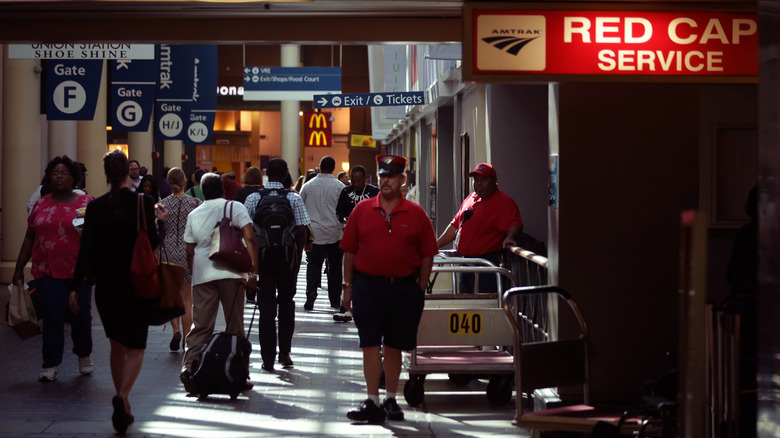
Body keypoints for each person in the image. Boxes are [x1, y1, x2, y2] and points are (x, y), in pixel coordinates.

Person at [70, 150, 167, 433]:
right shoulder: (143, 202)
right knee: (136, 347)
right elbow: (153, 242)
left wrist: (75, 287)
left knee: (116, 345)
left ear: (106, 174)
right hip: (137, 285)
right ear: (128, 173)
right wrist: (159, 220)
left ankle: (122, 403)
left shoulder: (96, 206)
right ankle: (123, 396)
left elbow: (85, 249)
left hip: (107, 288)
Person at [341, 154, 438, 423]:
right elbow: (349, 250)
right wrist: (347, 286)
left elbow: (428, 252)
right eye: (382, 176)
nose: (385, 181)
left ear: (402, 180)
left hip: (403, 289)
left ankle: (391, 400)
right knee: (369, 343)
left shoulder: (416, 214)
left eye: (391, 176)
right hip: (367, 287)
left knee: (394, 346)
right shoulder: (362, 211)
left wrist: (420, 287)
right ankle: (372, 401)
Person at [13, 155, 94, 382]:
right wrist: (19, 267)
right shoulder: (41, 203)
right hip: (47, 270)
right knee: (51, 316)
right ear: (49, 177)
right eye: (54, 173)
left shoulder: (86, 203)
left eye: (64, 173)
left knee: (81, 317)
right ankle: (50, 364)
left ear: (73, 178)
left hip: (79, 272)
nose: (58, 177)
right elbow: (30, 236)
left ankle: (84, 355)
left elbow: (95, 238)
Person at [179, 173, 258, 393]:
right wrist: (253, 272)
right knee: (235, 326)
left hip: (203, 273)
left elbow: (189, 250)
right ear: (223, 189)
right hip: (232, 273)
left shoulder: (194, 213)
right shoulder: (235, 207)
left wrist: (195, 272)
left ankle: (189, 368)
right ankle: (238, 374)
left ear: (202, 191)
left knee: (201, 325)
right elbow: (250, 238)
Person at [244, 159, 310, 371]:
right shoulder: (293, 198)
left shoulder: (254, 198)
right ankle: (285, 353)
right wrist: (297, 257)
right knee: (287, 304)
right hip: (287, 260)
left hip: (262, 261)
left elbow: (246, 234)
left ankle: (267, 358)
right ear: (285, 175)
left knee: (266, 309)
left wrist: (251, 265)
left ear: (266, 174)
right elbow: (301, 231)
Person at [436, 163, 523, 293]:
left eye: (484, 180)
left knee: (485, 306)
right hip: (466, 263)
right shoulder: (470, 198)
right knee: (465, 304)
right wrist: (435, 245)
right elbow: (455, 226)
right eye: (476, 180)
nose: (479, 183)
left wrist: (511, 237)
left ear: (494, 181)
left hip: (487, 265)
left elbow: (515, 225)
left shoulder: (503, 202)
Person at [159, 167, 202, 351]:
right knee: (187, 298)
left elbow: (158, 228)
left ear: (168, 183)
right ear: (186, 181)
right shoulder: (195, 203)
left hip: (168, 250)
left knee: (171, 295)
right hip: (187, 250)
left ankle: (175, 330)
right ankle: (187, 338)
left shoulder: (162, 205)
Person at [333, 165, 380, 322]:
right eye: (353, 180)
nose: (355, 184)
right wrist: (344, 219)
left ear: (365, 178)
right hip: (349, 237)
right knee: (346, 268)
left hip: (369, 240)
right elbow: (338, 211)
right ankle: (344, 305)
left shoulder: (374, 192)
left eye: (358, 181)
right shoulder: (346, 192)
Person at [299, 156, 345, 310]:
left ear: (319, 166)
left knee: (313, 264)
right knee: (335, 267)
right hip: (334, 233)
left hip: (315, 233)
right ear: (334, 168)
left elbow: (300, 208)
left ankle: (311, 293)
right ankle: (335, 299)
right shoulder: (340, 187)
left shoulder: (308, 186)